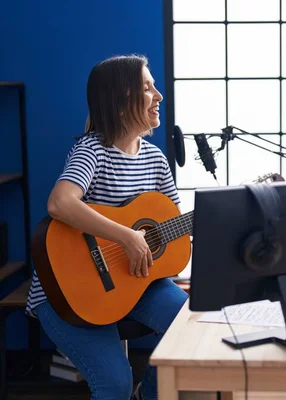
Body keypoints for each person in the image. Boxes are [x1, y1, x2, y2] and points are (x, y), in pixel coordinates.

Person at [26, 55, 188, 400]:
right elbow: (60, 203)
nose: (159, 96)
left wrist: (224, 215)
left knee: (187, 330)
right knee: (114, 385)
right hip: (68, 291)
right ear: (119, 102)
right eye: (147, 88)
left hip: (135, 283)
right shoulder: (91, 151)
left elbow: (176, 229)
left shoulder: (155, 159)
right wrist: (127, 236)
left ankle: (150, 394)